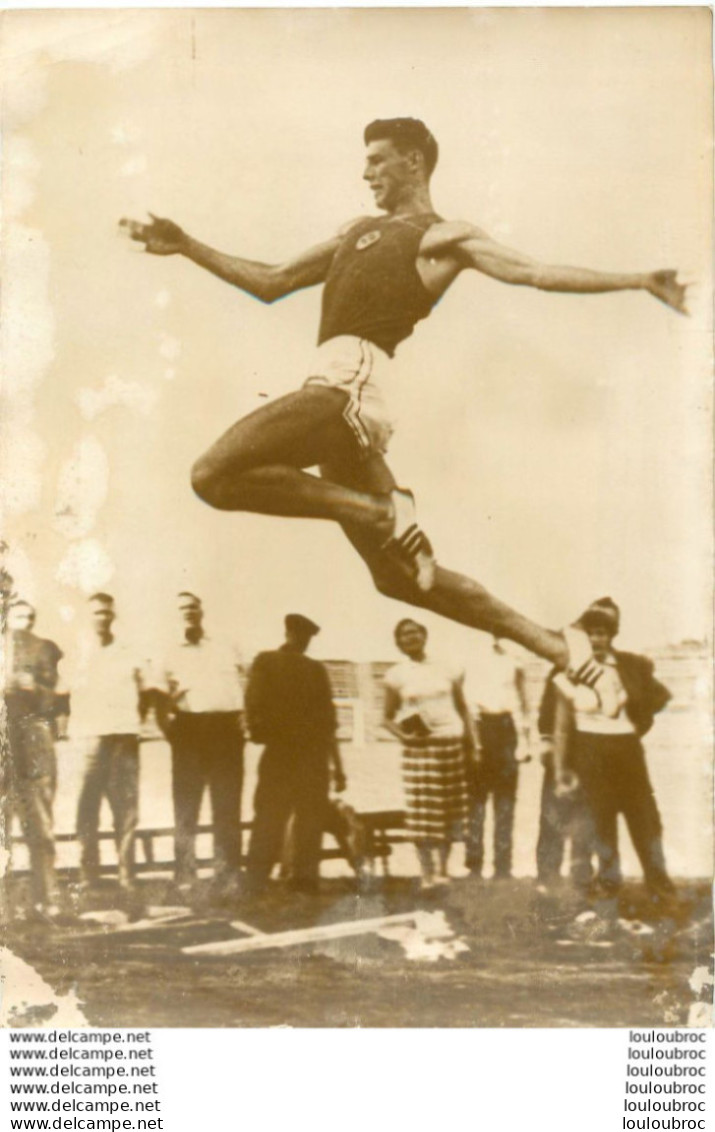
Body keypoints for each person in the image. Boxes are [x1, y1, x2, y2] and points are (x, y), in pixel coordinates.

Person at [120, 118, 688, 679]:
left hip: (348, 386)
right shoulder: (354, 232)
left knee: (210, 475)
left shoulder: (442, 237)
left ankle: (382, 509)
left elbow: (535, 272)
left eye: (377, 159)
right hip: (340, 396)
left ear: (413, 161)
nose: (366, 172)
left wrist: (638, 279)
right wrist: (187, 245)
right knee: (396, 577)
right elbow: (272, 281)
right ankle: (560, 650)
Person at [541, 597, 675, 909]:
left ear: (612, 635)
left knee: (645, 819)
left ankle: (661, 888)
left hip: (627, 750)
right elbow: (561, 726)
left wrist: (635, 728)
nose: (597, 639)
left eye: (603, 633)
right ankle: (609, 886)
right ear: (582, 638)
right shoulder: (569, 671)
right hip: (589, 751)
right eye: (591, 633)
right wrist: (561, 765)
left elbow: (657, 699)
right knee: (601, 820)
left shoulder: (630, 666)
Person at [244, 614, 346, 896]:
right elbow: (252, 702)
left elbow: (329, 721)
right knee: (269, 815)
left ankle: (304, 880)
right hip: (280, 752)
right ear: (287, 633)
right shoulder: (266, 661)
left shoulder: (316, 670)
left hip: (312, 755)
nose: (303, 642)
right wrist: (258, 731)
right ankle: (256, 879)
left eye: (307, 638)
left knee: (310, 817)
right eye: (299, 635)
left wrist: (338, 767)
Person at [159, 593, 245, 895]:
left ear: (202, 611)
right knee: (185, 807)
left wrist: (244, 717)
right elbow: (158, 699)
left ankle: (228, 873)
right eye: (182, 609)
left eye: (193, 608)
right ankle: (184, 873)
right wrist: (173, 732)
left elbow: (245, 681)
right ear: (176, 615)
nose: (188, 613)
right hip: (188, 730)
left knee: (227, 806)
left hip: (226, 729)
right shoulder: (168, 652)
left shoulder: (225, 645)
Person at [383, 618, 478, 890]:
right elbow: (386, 718)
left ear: (425, 636)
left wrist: (474, 745)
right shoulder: (395, 675)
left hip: (450, 744)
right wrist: (405, 737)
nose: (410, 638)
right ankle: (426, 873)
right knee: (423, 814)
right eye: (404, 635)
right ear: (398, 643)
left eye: (415, 632)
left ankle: (443, 870)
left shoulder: (448, 668)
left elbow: (463, 709)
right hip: (420, 750)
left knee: (448, 810)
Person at [67, 594, 146, 896]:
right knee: (87, 807)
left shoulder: (128, 653)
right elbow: (62, 696)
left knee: (126, 810)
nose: (102, 618)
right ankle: (89, 876)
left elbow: (144, 694)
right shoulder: (76, 655)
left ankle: (127, 876)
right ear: (88, 617)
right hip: (88, 738)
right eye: (97, 613)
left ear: (114, 616)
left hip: (123, 738)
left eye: (107, 613)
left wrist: (130, 724)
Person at [2, 601, 64, 920]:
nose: (23, 623)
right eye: (17, 617)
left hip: (33, 738)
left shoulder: (44, 650)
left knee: (39, 823)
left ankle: (46, 900)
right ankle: (5, 906)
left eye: (29, 617)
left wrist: (33, 687)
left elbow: (54, 697)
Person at [464, 637, 530, 880]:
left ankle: (503, 867)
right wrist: (474, 743)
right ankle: (474, 865)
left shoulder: (515, 661)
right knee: (476, 802)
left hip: (506, 729)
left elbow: (522, 702)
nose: (493, 636)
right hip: (478, 727)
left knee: (505, 803)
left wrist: (523, 740)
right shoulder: (468, 658)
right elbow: (467, 703)